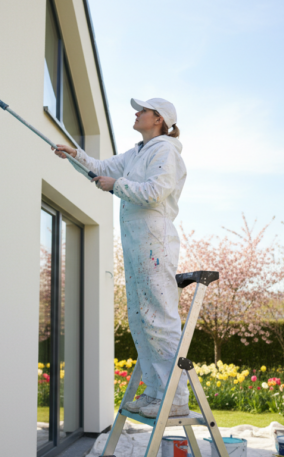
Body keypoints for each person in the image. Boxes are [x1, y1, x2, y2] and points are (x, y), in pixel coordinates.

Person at [53, 98, 188, 418]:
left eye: (142, 110)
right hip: (137, 242)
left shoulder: (165, 151)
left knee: (160, 316)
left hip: (155, 241)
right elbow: (99, 168)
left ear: (158, 119)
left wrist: (117, 186)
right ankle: (156, 394)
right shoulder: (136, 153)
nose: (136, 113)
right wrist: (75, 155)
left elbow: (155, 192)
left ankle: (175, 397)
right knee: (141, 319)